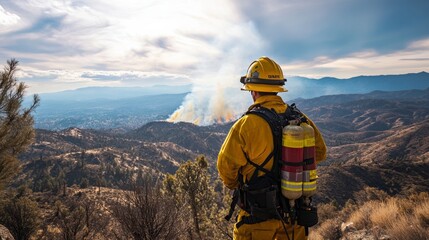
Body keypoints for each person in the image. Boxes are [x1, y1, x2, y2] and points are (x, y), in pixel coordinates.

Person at [217, 56, 327, 240]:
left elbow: (226, 168)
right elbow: (320, 153)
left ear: (252, 91)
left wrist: (240, 183)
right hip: (294, 218)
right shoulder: (300, 118)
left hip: (257, 220)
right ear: (278, 89)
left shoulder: (246, 124)